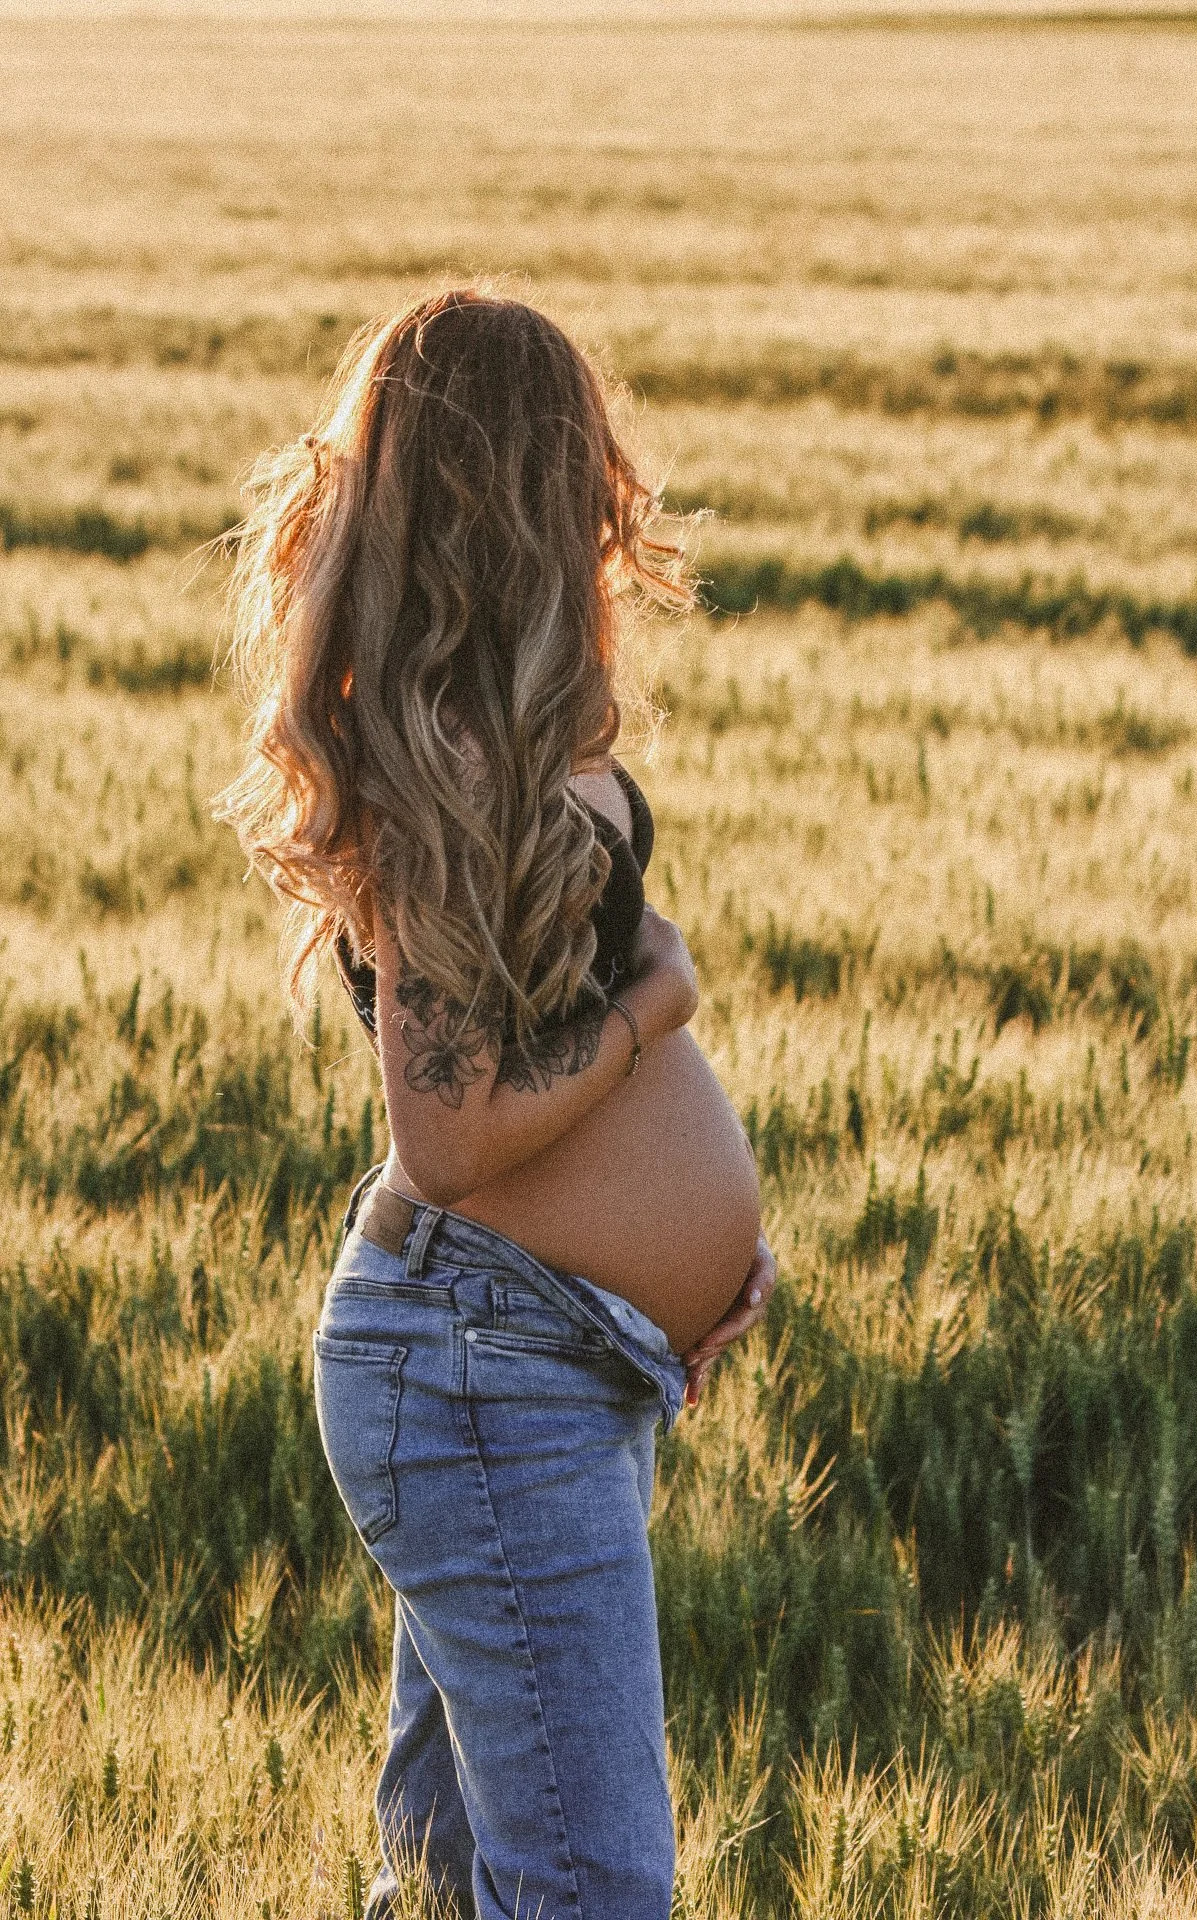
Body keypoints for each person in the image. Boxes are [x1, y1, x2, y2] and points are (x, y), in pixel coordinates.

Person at [215, 288, 777, 1920]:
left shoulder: (497, 745)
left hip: (534, 1356)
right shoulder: (446, 766)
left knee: (465, 1881)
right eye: (581, 469)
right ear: (522, 495)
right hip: (483, 1372)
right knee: (591, 1890)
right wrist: (653, 1012)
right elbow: (449, 1138)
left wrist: (674, 1274)